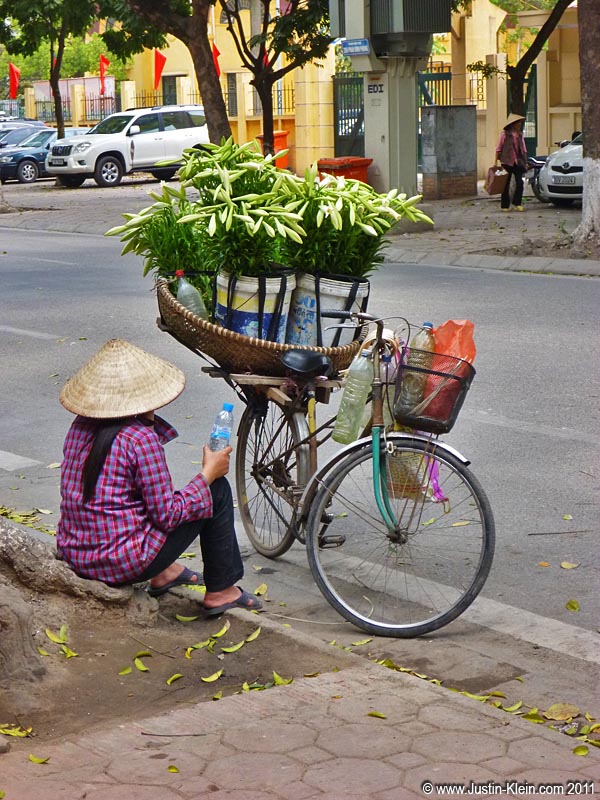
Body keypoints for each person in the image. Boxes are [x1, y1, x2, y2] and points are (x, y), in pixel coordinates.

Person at [56, 338, 262, 617]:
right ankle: (221, 590)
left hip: (77, 554)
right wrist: (208, 473)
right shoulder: (140, 438)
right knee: (217, 491)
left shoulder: (79, 426)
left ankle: (165, 571)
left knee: (158, 496)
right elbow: (167, 515)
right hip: (120, 564)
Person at [495, 113, 528, 212]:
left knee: (520, 183)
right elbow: (499, 148)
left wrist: (525, 161)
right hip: (506, 162)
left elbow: (524, 149)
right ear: (513, 124)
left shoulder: (520, 135)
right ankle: (505, 205)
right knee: (505, 184)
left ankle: (517, 203)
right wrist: (495, 162)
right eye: (518, 123)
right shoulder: (505, 134)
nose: (520, 125)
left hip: (517, 162)